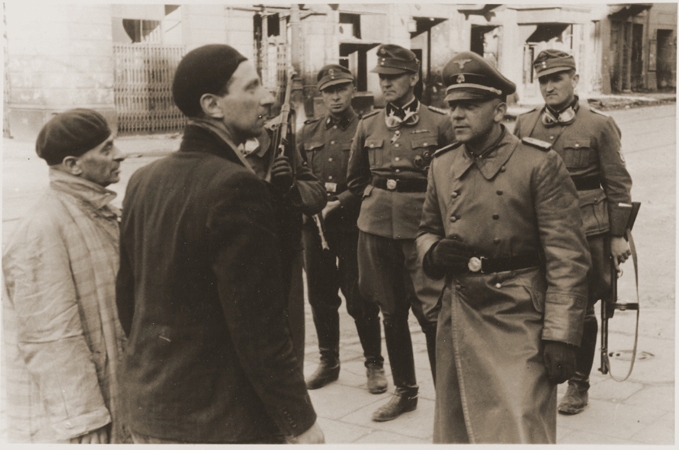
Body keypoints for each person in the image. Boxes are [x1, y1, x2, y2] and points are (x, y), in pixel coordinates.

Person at [115, 44, 323, 444]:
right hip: (216, 420)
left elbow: (128, 300)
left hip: (151, 408)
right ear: (212, 105)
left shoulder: (144, 179)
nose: (267, 98)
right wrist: (300, 420)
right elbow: (259, 328)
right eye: (252, 87)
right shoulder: (236, 185)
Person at [416, 51, 590, 443]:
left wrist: (561, 335)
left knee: (519, 423)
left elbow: (568, 258)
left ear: (498, 111)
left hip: (518, 316)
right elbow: (425, 230)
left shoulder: (537, 164)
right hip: (460, 313)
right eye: (453, 106)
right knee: (459, 428)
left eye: (470, 106)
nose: (457, 115)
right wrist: (433, 252)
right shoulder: (442, 165)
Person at [514, 49, 634, 415]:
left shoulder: (598, 125)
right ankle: (543, 372)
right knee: (537, 301)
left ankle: (579, 383)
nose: (549, 87)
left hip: (587, 232)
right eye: (543, 80)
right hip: (537, 230)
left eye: (557, 79)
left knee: (581, 308)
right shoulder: (525, 124)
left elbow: (618, 185)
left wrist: (618, 235)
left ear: (574, 80)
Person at [3, 109, 129, 443]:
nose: (120, 155)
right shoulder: (42, 228)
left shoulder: (97, 211)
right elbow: (50, 337)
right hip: (75, 424)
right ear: (73, 165)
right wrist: (84, 420)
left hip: (109, 397)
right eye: (106, 149)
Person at [346, 44, 455, 422]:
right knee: (391, 313)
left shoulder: (439, 123)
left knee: (432, 315)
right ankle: (405, 392)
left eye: (393, 77)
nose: (386, 84)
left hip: (421, 232)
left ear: (413, 78)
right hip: (376, 230)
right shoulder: (368, 124)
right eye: (382, 78)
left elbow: (455, 179)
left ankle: (448, 400)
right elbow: (356, 178)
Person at [298, 64, 385, 393]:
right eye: (328, 91)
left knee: (360, 296)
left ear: (352, 91)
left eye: (341, 89)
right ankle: (328, 361)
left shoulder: (367, 128)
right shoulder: (307, 133)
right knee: (320, 296)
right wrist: (310, 203)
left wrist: (342, 201)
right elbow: (297, 175)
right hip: (315, 226)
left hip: (353, 226)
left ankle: (374, 364)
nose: (335, 97)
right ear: (321, 96)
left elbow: (374, 177)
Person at [242, 94, 326, 369]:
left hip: (281, 253)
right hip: (240, 256)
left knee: (286, 340)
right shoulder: (220, 148)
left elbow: (316, 193)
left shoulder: (281, 145)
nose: (263, 114)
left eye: (265, 110)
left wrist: (290, 185)